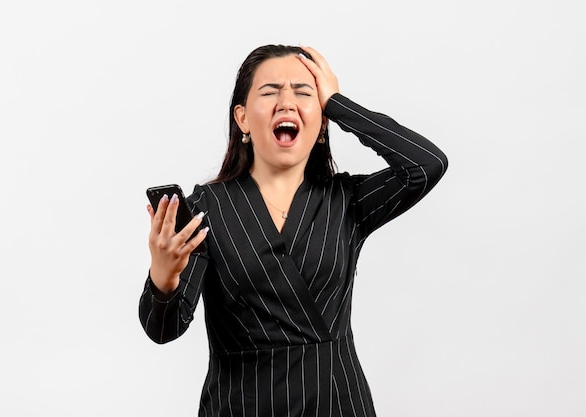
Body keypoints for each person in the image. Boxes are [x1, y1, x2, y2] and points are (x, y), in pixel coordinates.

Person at [139, 44, 448, 417]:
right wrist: (164, 276)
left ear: (321, 120)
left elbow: (426, 164)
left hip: (337, 403)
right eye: (269, 92)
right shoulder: (207, 208)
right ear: (242, 119)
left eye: (304, 93)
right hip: (241, 407)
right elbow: (163, 330)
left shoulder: (346, 200)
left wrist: (336, 102)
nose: (287, 102)